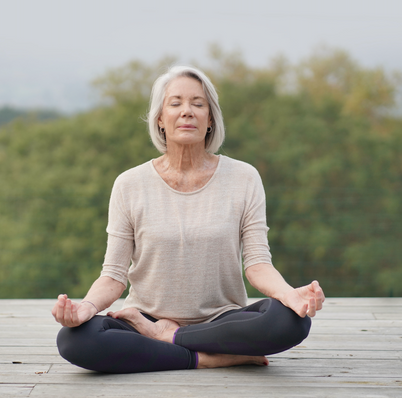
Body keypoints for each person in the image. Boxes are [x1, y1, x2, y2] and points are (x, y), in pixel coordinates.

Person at [52, 65, 325, 373]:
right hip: (145, 319)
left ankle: (173, 338)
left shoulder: (244, 178)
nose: (187, 111)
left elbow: (258, 263)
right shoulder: (129, 184)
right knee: (75, 340)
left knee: (291, 321)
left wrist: (291, 295)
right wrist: (86, 307)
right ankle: (202, 358)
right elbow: (114, 275)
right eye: (175, 103)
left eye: (198, 104)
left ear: (210, 120)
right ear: (160, 119)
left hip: (222, 321)